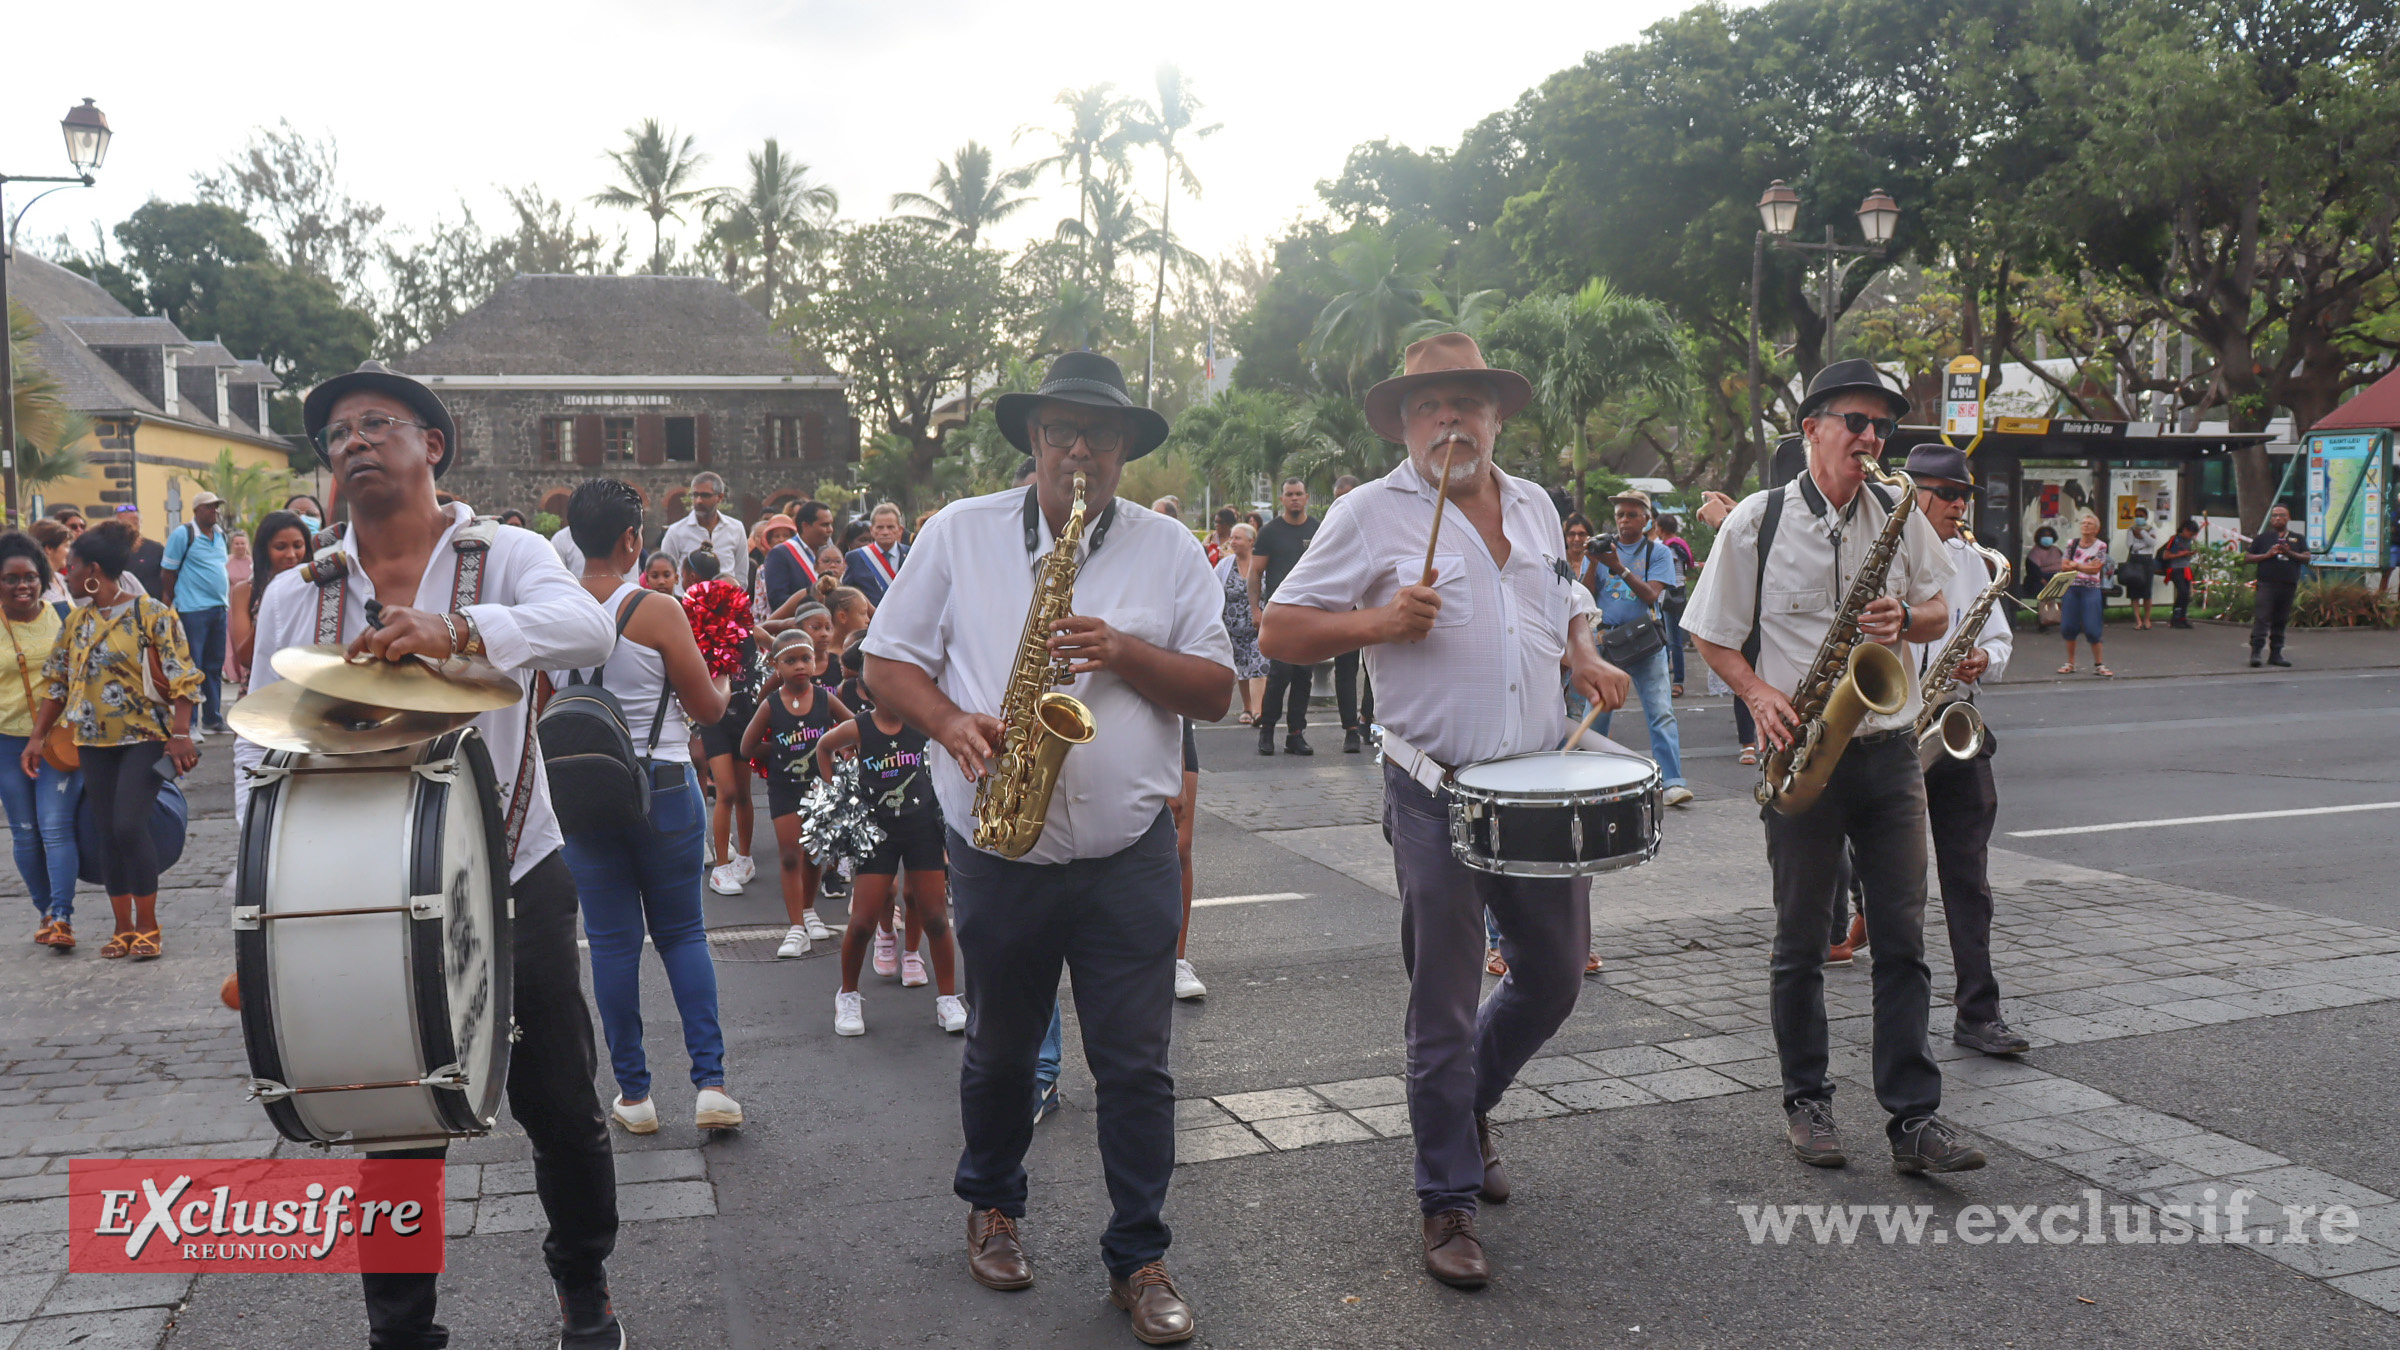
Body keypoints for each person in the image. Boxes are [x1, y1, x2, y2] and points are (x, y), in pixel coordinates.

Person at [237, 360, 625, 1350]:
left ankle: (583, 1282)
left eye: (376, 425)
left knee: (560, 1108)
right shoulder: (298, 593)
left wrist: (456, 629)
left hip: (514, 874)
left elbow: (587, 625)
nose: (353, 443)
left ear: (432, 447)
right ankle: (402, 1333)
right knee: (392, 1116)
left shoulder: (505, 555)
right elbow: (258, 755)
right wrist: (254, 932)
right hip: (361, 885)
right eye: (337, 436)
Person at [864, 349, 1229, 1343]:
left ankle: (1140, 1258)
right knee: (997, 1054)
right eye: (1061, 431)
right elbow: (886, 663)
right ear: (1033, 440)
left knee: (1138, 1068)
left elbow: (1216, 691)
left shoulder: (1169, 549)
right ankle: (993, 1206)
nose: (1079, 450)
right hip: (999, 846)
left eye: (1098, 436)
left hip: (1128, 854)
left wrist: (1123, 652)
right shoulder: (958, 535)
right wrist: (949, 723)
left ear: (1122, 450)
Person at [1260, 333, 1630, 1289]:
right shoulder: (1367, 515)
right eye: (1430, 406)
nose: (1450, 421)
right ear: (1405, 423)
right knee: (1441, 1005)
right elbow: (1280, 629)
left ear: (1498, 415)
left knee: (1552, 979)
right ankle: (1446, 1201)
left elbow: (1564, 594)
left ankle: (1469, 1103)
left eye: (1467, 402)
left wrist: (1583, 652)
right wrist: (1380, 623)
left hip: (1538, 788)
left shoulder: (1539, 506)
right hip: (1435, 792)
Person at [1683, 358, 1986, 1180]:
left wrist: (1906, 619)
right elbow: (1707, 632)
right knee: (1800, 941)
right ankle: (1807, 1102)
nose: (1871, 438)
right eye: (1856, 422)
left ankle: (1913, 1119)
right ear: (1812, 426)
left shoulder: (1898, 508)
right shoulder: (1757, 520)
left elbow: (1936, 609)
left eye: (1881, 427)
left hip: (1888, 749)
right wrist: (1754, 694)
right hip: (1803, 749)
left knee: (1902, 938)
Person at [553, 479, 743, 1136]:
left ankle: (634, 1095)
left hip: (580, 791)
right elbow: (711, 709)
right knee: (684, 933)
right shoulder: (658, 610)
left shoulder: (551, 609)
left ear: (575, 538)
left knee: (610, 944)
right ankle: (710, 1085)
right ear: (633, 539)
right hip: (661, 781)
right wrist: (725, 668)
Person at [1901, 446, 2029, 1058]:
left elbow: (1998, 637)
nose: (1959, 505)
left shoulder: (1974, 561)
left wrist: (1985, 659)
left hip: (1953, 720)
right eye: (1947, 493)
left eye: (1965, 495)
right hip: (1888, 724)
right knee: (1895, 880)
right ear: (1914, 491)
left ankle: (1978, 1011)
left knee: (1968, 877)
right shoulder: (1882, 546)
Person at [25, 521, 200, 962]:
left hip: (145, 739)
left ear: (94, 570)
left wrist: (180, 735)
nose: (64, 574)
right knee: (106, 832)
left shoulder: (153, 614)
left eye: (72, 565)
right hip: (91, 742)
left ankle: (149, 925)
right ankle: (122, 928)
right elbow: (57, 685)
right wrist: (36, 738)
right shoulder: (76, 622)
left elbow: (184, 680)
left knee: (127, 825)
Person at [817, 665, 966, 1034]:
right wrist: (837, 794)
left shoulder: (923, 724)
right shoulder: (859, 727)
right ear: (867, 694)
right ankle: (848, 995)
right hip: (878, 831)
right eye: (884, 691)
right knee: (864, 920)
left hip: (921, 827)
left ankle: (948, 999)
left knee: (934, 916)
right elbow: (824, 747)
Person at [1584, 489, 1693, 808]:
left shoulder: (1657, 552)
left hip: (1646, 643)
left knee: (1660, 712)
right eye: (1620, 514)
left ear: (1647, 520)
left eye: (1632, 514)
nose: (1624, 520)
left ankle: (1672, 781)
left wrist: (1618, 566)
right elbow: (1587, 595)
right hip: (1607, 642)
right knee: (1599, 713)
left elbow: (1650, 595)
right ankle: (1594, 779)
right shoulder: (1603, 550)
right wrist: (1594, 563)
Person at [742, 631, 848, 959]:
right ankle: (796, 928)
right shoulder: (771, 705)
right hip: (784, 788)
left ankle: (808, 910)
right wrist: (779, 750)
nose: (800, 666)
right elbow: (747, 746)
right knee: (790, 854)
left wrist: (835, 751)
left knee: (815, 853)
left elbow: (856, 728)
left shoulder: (825, 699)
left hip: (819, 788)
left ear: (815, 663)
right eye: (791, 661)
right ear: (777, 667)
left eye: (806, 659)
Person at [0, 532, 79, 949]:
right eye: (10, 579)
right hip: (6, 745)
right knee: (26, 832)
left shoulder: (65, 615)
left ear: (42, 577)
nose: (22, 586)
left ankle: (62, 918)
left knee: (55, 827)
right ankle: (45, 911)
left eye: (30, 576)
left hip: (59, 742)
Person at [685, 548, 771, 902]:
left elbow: (777, 644)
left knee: (744, 793)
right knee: (727, 791)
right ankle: (721, 865)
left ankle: (745, 858)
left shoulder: (748, 632)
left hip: (746, 715)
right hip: (716, 718)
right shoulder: (699, 634)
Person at [1253, 477, 1320, 756]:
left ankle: (1296, 734)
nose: (1294, 498)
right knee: (1280, 674)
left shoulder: (1318, 529)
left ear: (1306, 498)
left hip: (1310, 614)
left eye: (1299, 494)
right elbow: (1255, 572)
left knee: (1304, 676)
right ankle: (1267, 731)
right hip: (1279, 614)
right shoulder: (1270, 531)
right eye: (1289, 494)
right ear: (1282, 499)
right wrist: (1255, 609)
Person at [160, 490, 233, 735]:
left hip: (218, 608)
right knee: (192, 666)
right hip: (192, 610)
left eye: (216, 507)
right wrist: (174, 598)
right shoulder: (184, 534)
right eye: (209, 507)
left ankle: (212, 718)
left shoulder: (221, 535)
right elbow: (167, 572)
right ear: (197, 510)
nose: (215, 511)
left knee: (214, 666)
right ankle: (188, 722)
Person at [228, 511, 310, 692]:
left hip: (306, 686)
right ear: (264, 549)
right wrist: (274, 605)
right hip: (263, 690)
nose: (291, 555)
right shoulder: (245, 591)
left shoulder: (317, 588)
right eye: (280, 547)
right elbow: (246, 657)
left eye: (298, 546)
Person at [658, 471, 750, 589]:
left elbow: (741, 576)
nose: (698, 501)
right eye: (695, 495)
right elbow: (666, 573)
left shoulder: (736, 528)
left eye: (705, 495)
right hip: (686, 603)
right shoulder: (676, 531)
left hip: (725, 603)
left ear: (720, 497)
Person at [1215, 522, 1268, 723]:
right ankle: (1247, 709)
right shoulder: (1225, 565)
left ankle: (1258, 711)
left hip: (1258, 625)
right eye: (1232, 538)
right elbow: (1212, 590)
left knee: (1259, 665)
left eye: (1237, 538)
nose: (1232, 542)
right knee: (1242, 669)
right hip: (1232, 627)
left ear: (1250, 541)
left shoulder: (1261, 563)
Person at [2245, 503, 2309, 667]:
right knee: (2262, 618)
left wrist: (2289, 553)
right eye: (2274, 515)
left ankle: (2276, 653)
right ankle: (2256, 652)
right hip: (2267, 584)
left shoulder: (2297, 538)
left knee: (2280, 620)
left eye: (2281, 515)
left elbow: (2306, 558)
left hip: (2288, 584)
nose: (2278, 518)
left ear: (2288, 518)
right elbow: (2248, 558)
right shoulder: (2263, 538)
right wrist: (2267, 555)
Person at [2058, 512, 2112, 676]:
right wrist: (2082, 566)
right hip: (2072, 588)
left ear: (2096, 529)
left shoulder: (2100, 546)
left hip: (2091, 589)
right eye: (2083, 523)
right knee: (2068, 625)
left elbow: (2096, 569)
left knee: (2092, 627)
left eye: (2089, 523)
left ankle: (2099, 664)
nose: (2085, 526)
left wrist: (2075, 565)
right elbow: (2064, 566)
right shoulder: (2072, 544)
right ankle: (2070, 662)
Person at [763, 499, 837, 609]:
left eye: (831, 524)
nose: (830, 530)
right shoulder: (781, 554)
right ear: (805, 525)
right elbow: (777, 600)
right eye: (825, 525)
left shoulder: (829, 553)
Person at [1654, 512, 1696, 694]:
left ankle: (1677, 682)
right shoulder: (1679, 544)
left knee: (1671, 640)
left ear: (1661, 529)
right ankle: (1672, 679)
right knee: (1672, 639)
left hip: (1669, 594)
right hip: (1680, 592)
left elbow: (1666, 573)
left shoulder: (1668, 548)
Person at [842, 502, 911, 603]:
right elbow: (848, 595)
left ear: (900, 530)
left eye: (890, 527)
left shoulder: (910, 554)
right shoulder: (856, 558)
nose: (885, 532)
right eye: (880, 527)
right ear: (872, 530)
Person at [114, 506, 168, 597]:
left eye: (134, 523)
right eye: (124, 524)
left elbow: (168, 579)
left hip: (151, 607)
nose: (130, 528)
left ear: (140, 524)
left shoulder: (156, 549)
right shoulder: (108, 550)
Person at [2160, 517, 2200, 629]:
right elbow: (2165, 555)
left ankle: (2183, 617)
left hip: (2186, 568)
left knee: (2187, 594)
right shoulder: (2174, 539)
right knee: (2182, 592)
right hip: (2175, 568)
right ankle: (2175, 618)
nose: (2191, 536)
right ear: (2185, 530)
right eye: (2190, 533)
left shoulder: (2189, 541)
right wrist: (2181, 554)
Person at [2122, 508, 2159, 630]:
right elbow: (2131, 546)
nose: (2139, 518)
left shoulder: (2151, 529)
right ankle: (2138, 620)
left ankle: (2147, 619)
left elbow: (2153, 543)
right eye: (2137, 515)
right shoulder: (2131, 530)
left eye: (2141, 516)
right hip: (2135, 560)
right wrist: (2145, 542)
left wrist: (2143, 534)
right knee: (2134, 593)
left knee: (2147, 593)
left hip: (2147, 561)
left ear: (2146, 517)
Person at [2023, 526, 2064, 632]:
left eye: (2050, 536)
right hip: (2039, 581)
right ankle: (2044, 623)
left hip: (2058, 578)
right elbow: (2034, 572)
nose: (2047, 538)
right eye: (2045, 536)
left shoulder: (2056, 551)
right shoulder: (2034, 553)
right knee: (2044, 593)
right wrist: (2045, 582)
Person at [29, 520, 74, 607]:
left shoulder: (60, 579)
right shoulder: (36, 584)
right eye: (66, 546)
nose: (70, 552)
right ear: (49, 548)